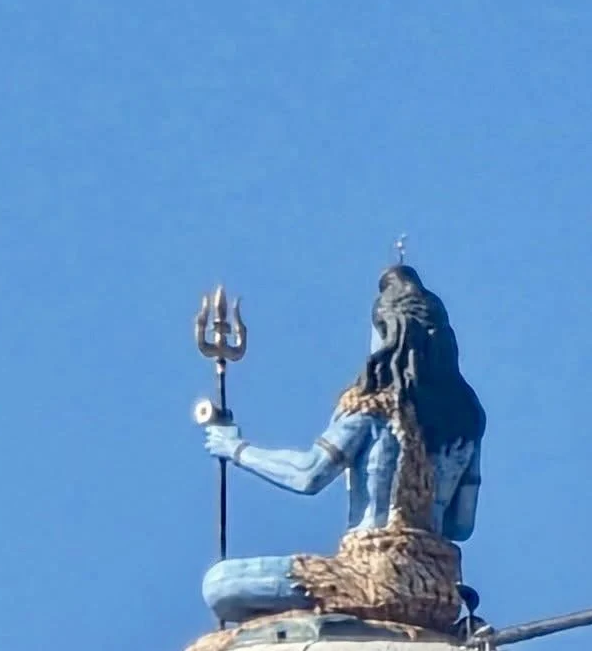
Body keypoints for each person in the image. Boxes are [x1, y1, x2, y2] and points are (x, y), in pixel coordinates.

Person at [201, 264, 484, 630]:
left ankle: (333, 617)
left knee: (221, 583)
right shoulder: (466, 424)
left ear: (385, 333)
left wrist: (235, 448)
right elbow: (461, 525)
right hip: (438, 594)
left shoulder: (372, 408)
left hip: (372, 577)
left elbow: (308, 475)